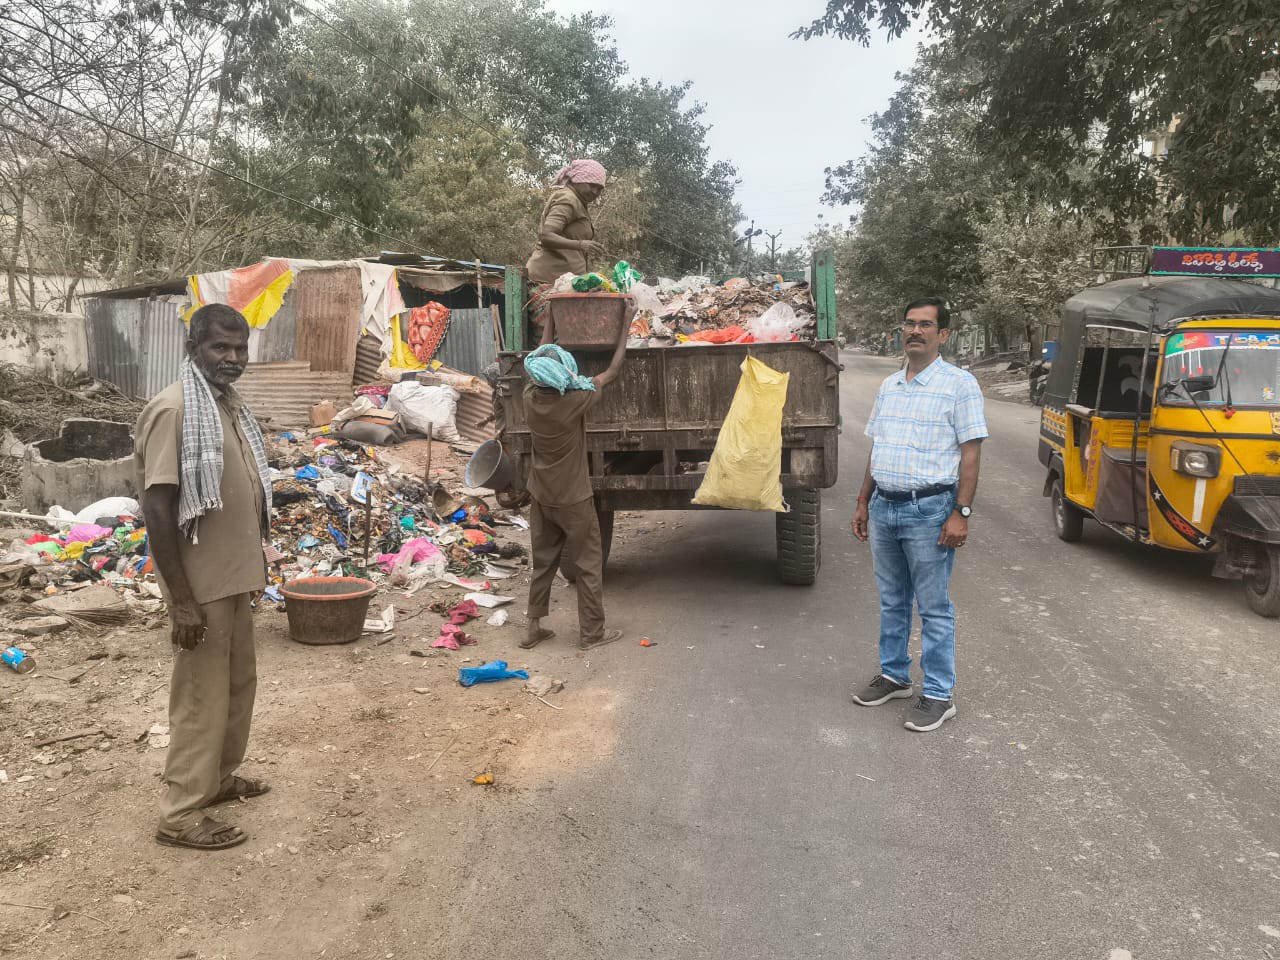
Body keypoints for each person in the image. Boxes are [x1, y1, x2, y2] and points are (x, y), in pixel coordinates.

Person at [135, 304, 272, 849]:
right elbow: (158, 507)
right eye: (221, 348)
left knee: (239, 687)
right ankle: (180, 815)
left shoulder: (225, 406)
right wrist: (182, 602)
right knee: (200, 698)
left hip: (234, 577)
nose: (233, 359)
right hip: (201, 587)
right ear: (194, 349)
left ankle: (215, 781)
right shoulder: (174, 410)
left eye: (239, 349)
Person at [850, 297, 987, 733]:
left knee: (933, 606)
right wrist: (862, 501)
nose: (915, 331)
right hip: (885, 507)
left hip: (929, 511)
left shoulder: (959, 385)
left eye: (925, 325)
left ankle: (939, 694)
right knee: (892, 599)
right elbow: (879, 447)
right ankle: (894, 675)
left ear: (942, 334)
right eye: (909, 323)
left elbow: (971, 454)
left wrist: (960, 512)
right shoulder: (890, 386)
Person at [520, 311, 630, 651]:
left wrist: (552, 318)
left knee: (543, 563)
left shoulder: (529, 397)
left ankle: (532, 628)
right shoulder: (576, 399)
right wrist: (624, 324)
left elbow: (537, 358)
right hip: (575, 500)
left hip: (541, 496)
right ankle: (592, 634)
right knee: (588, 565)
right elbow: (611, 372)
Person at [525, 159, 609, 328]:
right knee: (557, 337)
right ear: (578, 179)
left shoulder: (578, 202)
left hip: (561, 284)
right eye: (591, 185)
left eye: (599, 188)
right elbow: (546, 235)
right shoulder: (568, 199)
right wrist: (580, 245)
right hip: (547, 282)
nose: (595, 191)